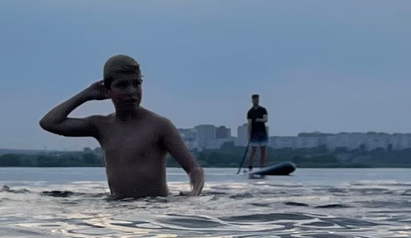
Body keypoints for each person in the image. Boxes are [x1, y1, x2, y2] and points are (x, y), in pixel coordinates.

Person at [39, 55, 206, 199]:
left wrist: (194, 194)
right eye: (123, 85)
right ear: (107, 89)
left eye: (136, 84)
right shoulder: (102, 126)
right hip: (117, 209)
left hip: (153, 211)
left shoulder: (159, 126)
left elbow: (194, 169)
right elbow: (50, 123)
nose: (131, 91)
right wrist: (86, 94)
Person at [243, 93, 270, 173]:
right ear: (252, 100)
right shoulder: (250, 112)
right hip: (254, 133)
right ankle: (250, 167)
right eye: (255, 100)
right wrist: (249, 135)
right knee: (253, 150)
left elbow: (265, 119)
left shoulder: (263, 110)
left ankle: (262, 167)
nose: (256, 101)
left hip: (262, 132)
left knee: (263, 150)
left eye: (257, 100)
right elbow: (249, 124)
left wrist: (260, 120)